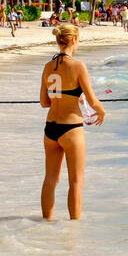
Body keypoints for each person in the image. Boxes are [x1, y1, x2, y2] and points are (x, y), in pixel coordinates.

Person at [39, 24, 105, 220]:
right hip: (71, 128)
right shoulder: (78, 66)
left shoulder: (48, 67)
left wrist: (64, 97)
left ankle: (46, 222)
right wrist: (102, 111)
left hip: (50, 128)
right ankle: (74, 230)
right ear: (74, 40)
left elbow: (44, 102)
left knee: (50, 179)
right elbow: (93, 101)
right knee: (76, 181)